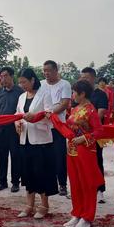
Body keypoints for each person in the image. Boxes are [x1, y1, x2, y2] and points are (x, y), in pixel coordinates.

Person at [61, 80, 105, 227]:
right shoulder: (74, 109)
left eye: (74, 92)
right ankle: (77, 213)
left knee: (87, 184)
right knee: (75, 183)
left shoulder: (91, 110)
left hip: (86, 151)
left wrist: (85, 138)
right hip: (72, 150)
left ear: (82, 94)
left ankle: (87, 216)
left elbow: (99, 131)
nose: (72, 95)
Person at [15, 68, 57, 219]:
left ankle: (44, 205)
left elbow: (49, 114)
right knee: (27, 173)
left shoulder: (44, 94)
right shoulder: (21, 97)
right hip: (25, 139)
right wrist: (18, 123)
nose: (22, 85)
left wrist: (36, 118)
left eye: (24, 82)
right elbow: (17, 114)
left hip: (41, 141)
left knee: (41, 173)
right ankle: (29, 205)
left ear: (32, 80)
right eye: (19, 82)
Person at [42, 60, 72, 196]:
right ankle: (48, 183)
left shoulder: (64, 84)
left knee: (60, 156)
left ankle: (62, 184)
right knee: (46, 156)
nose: (46, 73)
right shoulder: (41, 84)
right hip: (43, 126)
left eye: (49, 70)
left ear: (56, 70)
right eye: (44, 70)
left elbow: (64, 104)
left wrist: (50, 113)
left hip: (58, 126)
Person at [80, 67, 108, 204]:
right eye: (82, 77)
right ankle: (85, 188)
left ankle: (99, 190)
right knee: (82, 162)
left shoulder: (100, 94)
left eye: (86, 78)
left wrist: (86, 123)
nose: (84, 80)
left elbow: (101, 113)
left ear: (93, 78)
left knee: (96, 160)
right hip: (80, 135)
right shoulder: (80, 94)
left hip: (94, 134)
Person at [0, 67, 23, 192]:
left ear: (12, 76)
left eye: (6, 76)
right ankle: (2, 182)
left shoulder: (20, 92)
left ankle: (15, 182)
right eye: (2, 76)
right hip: (1, 128)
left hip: (14, 128)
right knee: (2, 155)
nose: (3, 79)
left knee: (15, 155)